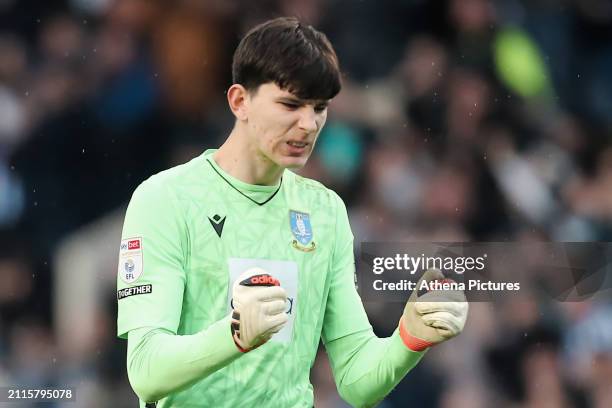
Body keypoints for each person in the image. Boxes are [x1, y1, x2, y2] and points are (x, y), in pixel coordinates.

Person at [117, 16, 468, 408]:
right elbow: (146, 372)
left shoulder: (325, 210)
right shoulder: (166, 199)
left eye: (320, 108)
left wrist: (410, 338)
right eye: (290, 104)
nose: (308, 124)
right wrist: (233, 335)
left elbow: (355, 379)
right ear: (239, 101)